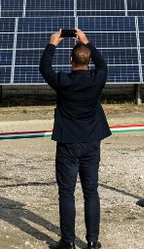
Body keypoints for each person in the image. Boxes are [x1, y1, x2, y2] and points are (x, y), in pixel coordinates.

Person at [40, 28, 110, 249]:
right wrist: (87, 42)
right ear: (88, 59)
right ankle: (91, 241)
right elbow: (102, 65)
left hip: (68, 143)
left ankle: (68, 241)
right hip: (91, 142)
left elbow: (44, 68)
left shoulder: (62, 80)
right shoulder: (97, 79)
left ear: (70, 60)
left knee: (66, 192)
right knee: (91, 191)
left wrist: (52, 44)